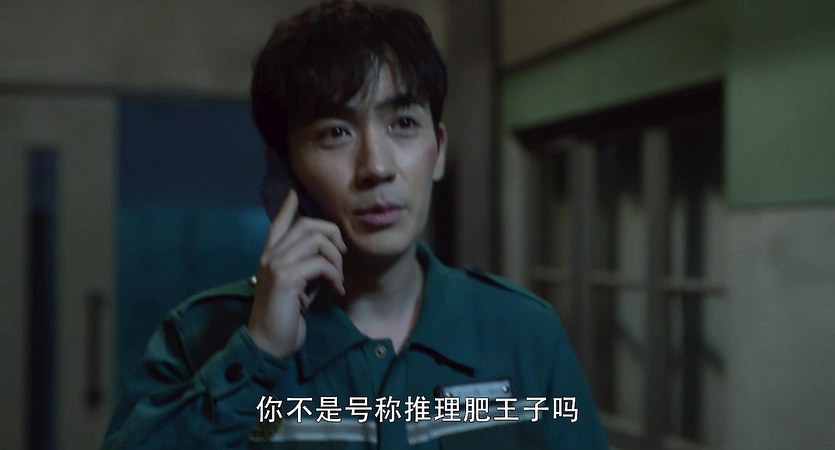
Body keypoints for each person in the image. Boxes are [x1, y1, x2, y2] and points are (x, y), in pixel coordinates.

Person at [102, 1, 608, 449]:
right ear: (283, 167)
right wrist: (259, 353)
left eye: (403, 124)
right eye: (335, 132)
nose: (377, 167)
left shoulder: (522, 333)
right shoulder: (200, 336)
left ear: (438, 151)